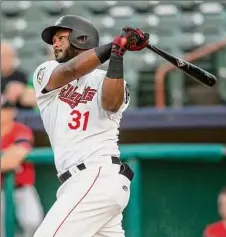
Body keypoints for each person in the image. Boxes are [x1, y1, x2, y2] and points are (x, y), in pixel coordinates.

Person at [32, 15, 149, 237]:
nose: (54, 44)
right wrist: (114, 46)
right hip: (78, 184)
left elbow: (111, 104)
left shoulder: (111, 81)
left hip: (97, 175)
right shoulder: (45, 72)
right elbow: (69, 71)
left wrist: (118, 54)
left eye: (60, 38)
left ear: (81, 38)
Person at [1, 97, 44, 237]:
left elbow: (17, 155)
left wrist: (10, 158)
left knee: (33, 223)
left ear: (12, 111)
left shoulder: (21, 129)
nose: (3, 112)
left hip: (22, 188)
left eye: (6, 109)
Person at [1, 42, 30, 110]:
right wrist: (7, 97)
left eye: (7, 56)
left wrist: (22, 92)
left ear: (13, 57)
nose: (3, 60)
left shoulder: (23, 76)